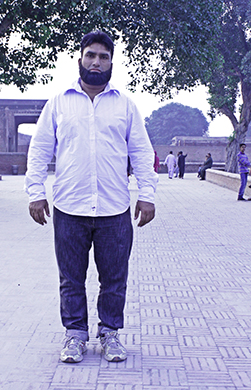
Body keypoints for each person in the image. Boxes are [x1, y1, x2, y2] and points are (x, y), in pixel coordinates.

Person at [24, 31, 158, 364]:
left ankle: (110, 334)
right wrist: (36, 192)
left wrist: (148, 194)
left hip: (114, 209)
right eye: (90, 55)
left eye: (103, 57)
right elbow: (40, 149)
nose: (96, 62)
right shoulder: (59, 103)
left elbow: (141, 151)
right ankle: (75, 336)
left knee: (114, 278)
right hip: (69, 206)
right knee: (71, 278)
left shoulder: (125, 105)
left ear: (111, 62)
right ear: (80, 59)